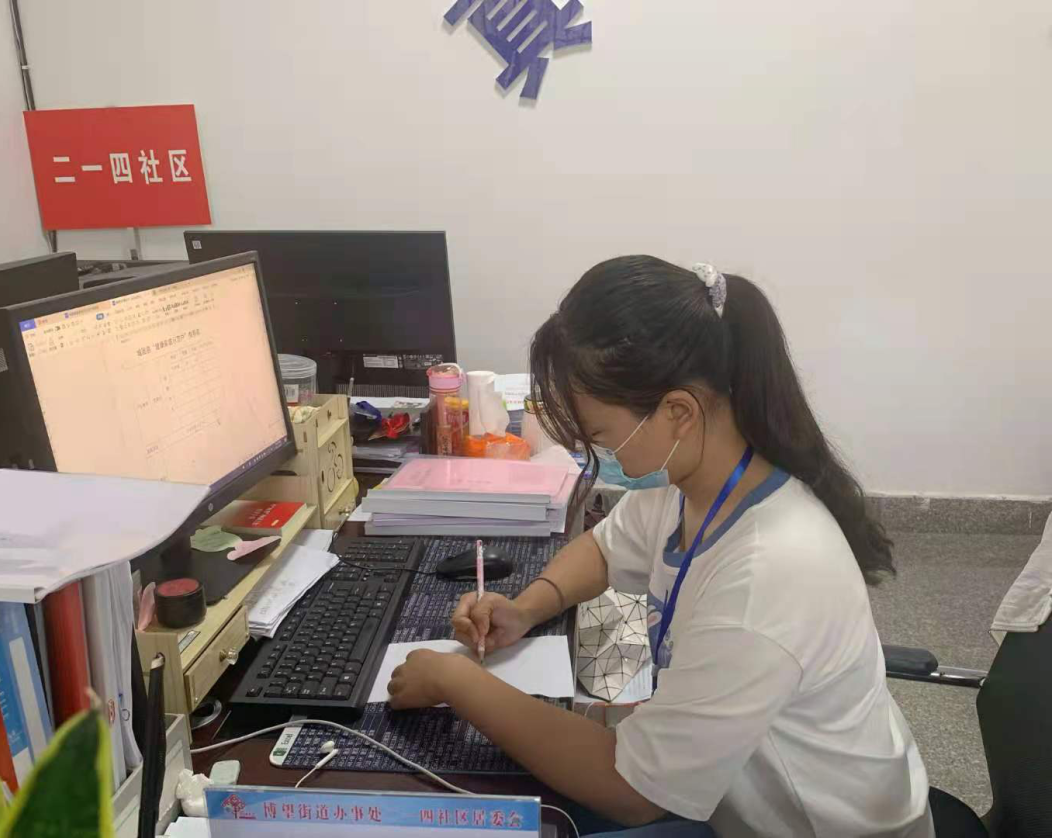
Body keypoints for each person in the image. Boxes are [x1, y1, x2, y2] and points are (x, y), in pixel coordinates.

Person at [387, 256, 934, 838]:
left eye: (600, 435)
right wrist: (526, 608)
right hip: (725, 791)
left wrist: (457, 682)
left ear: (678, 412)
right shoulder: (697, 483)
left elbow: (632, 794)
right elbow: (603, 549)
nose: (599, 454)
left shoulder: (768, 573)